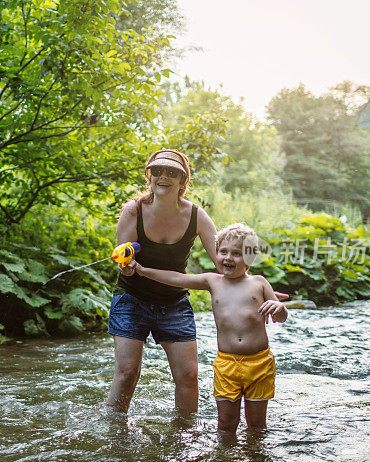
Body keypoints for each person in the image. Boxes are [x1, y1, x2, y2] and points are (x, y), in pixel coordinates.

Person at [128, 222, 288, 432]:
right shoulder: (213, 282)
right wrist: (141, 270)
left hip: (259, 363)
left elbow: (281, 317)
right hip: (226, 364)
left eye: (237, 253)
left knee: (257, 426)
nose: (228, 258)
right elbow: (177, 278)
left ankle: (256, 461)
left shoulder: (259, 283)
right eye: (223, 251)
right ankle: (224, 461)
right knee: (226, 425)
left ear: (250, 258)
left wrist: (279, 307)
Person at [105, 149, 221, 416]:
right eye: (157, 171)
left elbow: (223, 263)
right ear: (149, 176)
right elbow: (124, 265)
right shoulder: (133, 210)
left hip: (174, 303)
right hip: (131, 299)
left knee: (189, 377)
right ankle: (113, 434)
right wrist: (127, 266)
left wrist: (257, 287)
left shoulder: (197, 216)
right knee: (126, 374)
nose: (164, 177)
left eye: (172, 172)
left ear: (183, 180)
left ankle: (184, 435)